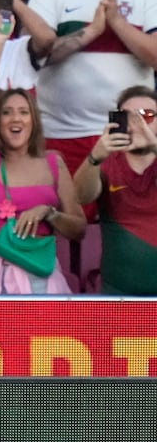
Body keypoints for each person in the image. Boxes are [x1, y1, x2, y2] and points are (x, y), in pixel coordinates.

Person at [26, 0, 157, 173]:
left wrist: (117, 23)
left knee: (125, 216)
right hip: (61, 131)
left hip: (131, 132)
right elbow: (33, 56)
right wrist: (92, 31)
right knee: (68, 214)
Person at [0, 15, 86, 294]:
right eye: (6, 112)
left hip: (43, 277)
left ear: (34, 120)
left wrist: (50, 213)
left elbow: (79, 229)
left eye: (23, 112)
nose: (15, 119)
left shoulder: (53, 162)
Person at [72, 86, 157, 295]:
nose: (137, 125)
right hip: (117, 296)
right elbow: (82, 196)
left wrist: (154, 145)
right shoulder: (107, 163)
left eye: (146, 116)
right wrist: (95, 157)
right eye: (128, 117)